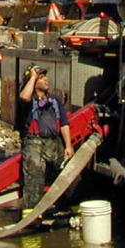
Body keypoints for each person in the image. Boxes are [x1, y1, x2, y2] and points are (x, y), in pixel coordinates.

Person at [19, 65, 73, 211]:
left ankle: (65, 210)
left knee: (69, 175)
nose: (46, 79)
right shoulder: (28, 100)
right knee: (34, 181)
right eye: (42, 77)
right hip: (33, 144)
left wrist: (68, 145)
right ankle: (31, 218)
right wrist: (32, 76)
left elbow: (64, 123)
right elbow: (24, 96)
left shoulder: (54, 100)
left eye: (45, 76)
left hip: (54, 143)